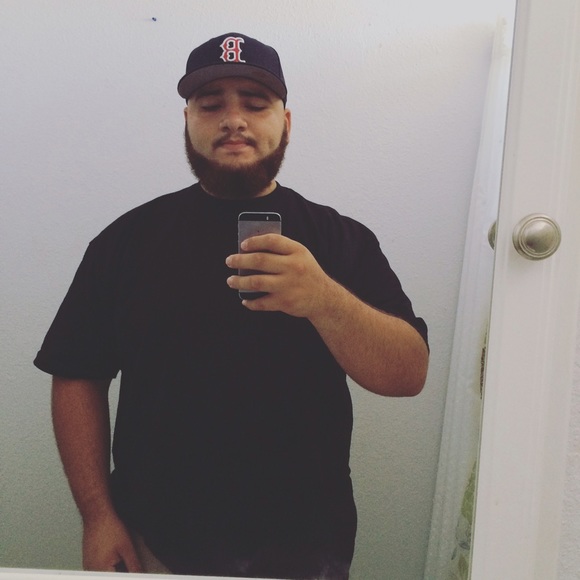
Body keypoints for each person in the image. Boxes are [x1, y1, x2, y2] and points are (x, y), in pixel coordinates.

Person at [34, 32, 429, 579]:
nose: (233, 120)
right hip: (155, 544)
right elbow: (77, 374)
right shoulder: (127, 240)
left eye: (255, 103)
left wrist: (323, 299)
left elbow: (408, 375)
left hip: (307, 547)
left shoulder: (341, 240)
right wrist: (98, 517)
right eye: (211, 104)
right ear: (188, 121)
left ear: (286, 122)